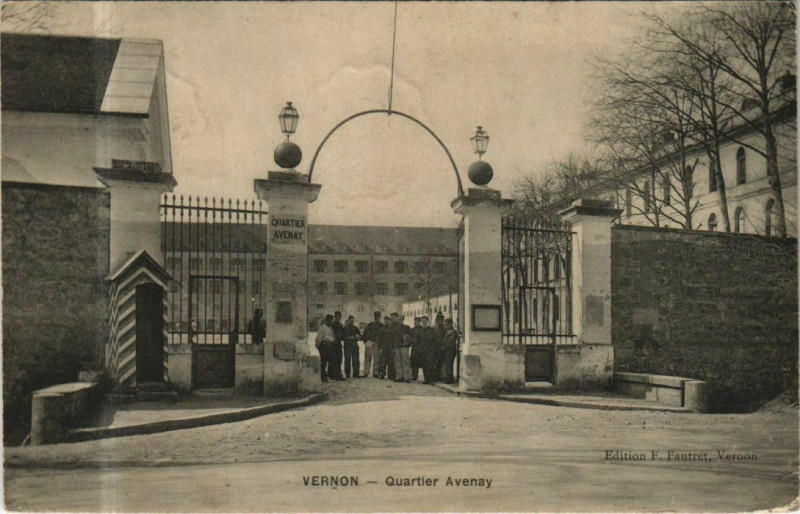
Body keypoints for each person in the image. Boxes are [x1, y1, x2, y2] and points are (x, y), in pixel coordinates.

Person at [418, 315, 440, 384]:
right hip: (423, 350)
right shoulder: (420, 330)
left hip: (430, 350)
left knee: (430, 364)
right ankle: (426, 379)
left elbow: (435, 340)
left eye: (425, 321)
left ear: (427, 321)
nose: (424, 323)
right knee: (424, 365)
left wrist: (433, 349)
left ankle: (431, 379)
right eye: (422, 321)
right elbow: (418, 340)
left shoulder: (431, 330)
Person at [392, 313, 412, 383]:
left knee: (405, 361)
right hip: (397, 346)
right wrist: (392, 347)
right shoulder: (395, 329)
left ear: (403, 320)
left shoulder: (407, 328)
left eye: (401, 319)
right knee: (397, 362)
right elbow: (392, 338)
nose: (400, 321)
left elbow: (410, 336)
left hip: (404, 347)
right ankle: (399, 376)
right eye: (398, 319)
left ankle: (407, 377)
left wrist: (408, 342)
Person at [361, 311, 383, 377]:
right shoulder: (370, 324)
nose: (376, 318)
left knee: (376, 358)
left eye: (378, 316)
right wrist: (365, 341)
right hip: (370, 341)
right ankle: (366, 372)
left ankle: (375, 372)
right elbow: (365, 332)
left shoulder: (381, 325)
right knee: (368, 357)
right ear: (374, 317)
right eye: (375, 316)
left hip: (377, 343)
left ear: (380, 317)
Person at [315, 315, 336, 382]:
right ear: (326, 320)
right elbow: (318, 338)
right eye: (329, 320)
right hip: (324, 345)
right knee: (324, 362)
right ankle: (323, 377)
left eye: (331, 320)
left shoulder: (330, 328)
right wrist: (319, 346)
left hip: (330, 345)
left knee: (331, 361)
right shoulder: (322, 328)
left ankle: (330, 376)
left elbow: (333, 337)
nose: (330, 322)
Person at [440, 317, 459, 384]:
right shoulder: (447, 331)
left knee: (449, 364)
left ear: (450, 324)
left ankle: (449, 379)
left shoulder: (453, 332)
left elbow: (450, 342)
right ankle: (447, 377)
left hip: (450, 350)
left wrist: (444, 347)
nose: (445, 326)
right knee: (447, 364)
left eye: (446, 324)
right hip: (447, 350)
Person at [329, 311, 345, 380]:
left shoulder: (340, 325)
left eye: (339, 317)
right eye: (337, 317)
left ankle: (337, 374)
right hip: (332, 345)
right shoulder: (332, 325)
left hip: (338, 344)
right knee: (333, 360)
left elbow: (342, 334)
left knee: (339, 359)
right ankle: (332, 374)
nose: (338, 318)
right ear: (335, 316)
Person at [432, 312, 446, 382]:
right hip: (435, 347)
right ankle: (434, 376)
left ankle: (439, 376)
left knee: (440, 362)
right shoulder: (434, 327)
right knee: (435, 362)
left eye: (441, 320)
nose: (440, 321)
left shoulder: (444, 327)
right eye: (438, 320)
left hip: (441, 347)